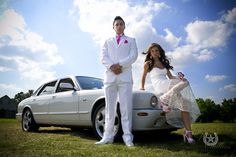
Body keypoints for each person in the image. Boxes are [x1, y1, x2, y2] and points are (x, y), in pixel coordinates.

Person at [140, 43, 200, 143]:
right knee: (185, 83)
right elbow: (143, 76)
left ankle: (188, 134)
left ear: (159, 52)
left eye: (157, 50)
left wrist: (179, 78)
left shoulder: (164, 64)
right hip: (160, 85)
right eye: (153, 51)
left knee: (184, 104)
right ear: (150, 53)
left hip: (169, 87)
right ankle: (163, 99)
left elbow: (171, 77)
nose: (155, 52)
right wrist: (142, 87)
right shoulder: (148, 64)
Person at [95, 16, 138, 147]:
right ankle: (107, 136)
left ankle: (127, 137)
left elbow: (133, 56)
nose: (119, 26)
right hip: (110, 78)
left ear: (124, 26)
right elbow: (103, 57)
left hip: (125, 77)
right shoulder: (107, 41)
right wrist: (112, 67)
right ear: (113, 27)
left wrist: (119, 65)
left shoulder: (131, 40)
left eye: (121, 24)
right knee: (109, 109)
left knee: (125, 108)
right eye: (116, 24)